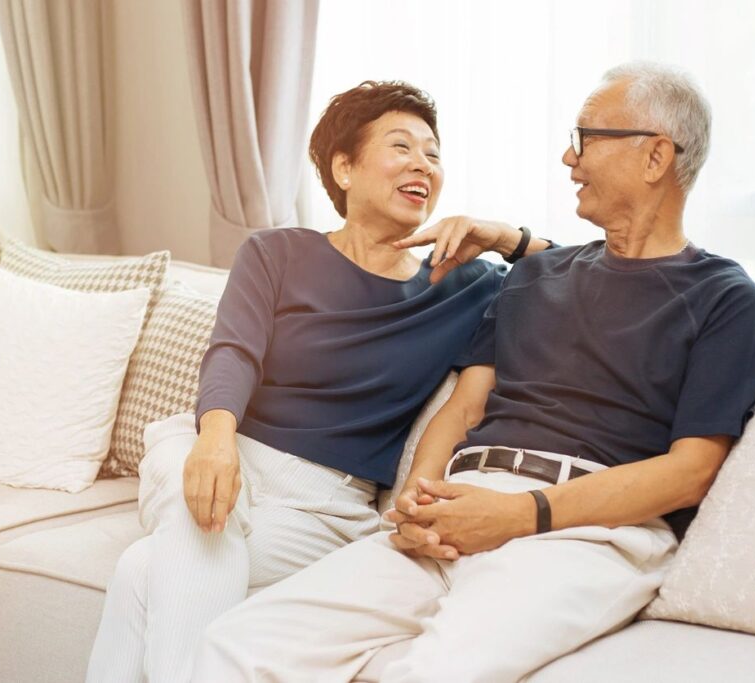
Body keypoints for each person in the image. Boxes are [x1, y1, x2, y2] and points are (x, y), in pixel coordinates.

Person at [187, 62, 755, 683]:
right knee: (236, 645)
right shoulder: (534, 277)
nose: (567, 159)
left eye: (585, 139)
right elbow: (465, 408)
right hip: (458, 507)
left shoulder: (724, 296)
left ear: (656, 156)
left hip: (581, 531)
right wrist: (415, 503)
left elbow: (692, 471)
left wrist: (520, 515)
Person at [85, 81, 550, 682]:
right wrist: (216, 438)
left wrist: (503, 235)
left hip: (323, 503)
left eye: (433, 154)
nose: (422, 165)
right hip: (218, 444)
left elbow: (581, 273)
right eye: (401, 146)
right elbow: (234, 351)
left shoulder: (467, 286)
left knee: (142, 571)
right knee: (192, 502)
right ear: (344, 168)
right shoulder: (276, 253)